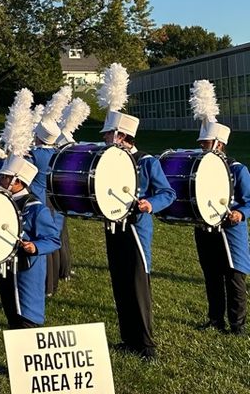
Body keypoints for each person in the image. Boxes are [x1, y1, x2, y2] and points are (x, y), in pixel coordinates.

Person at [101, 109, 175, 360]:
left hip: (137, 228)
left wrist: (150, 204)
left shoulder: (146, 161)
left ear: (122, 136)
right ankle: (128, 339)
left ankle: (147, 344)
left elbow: (167, 193)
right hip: (113, 226)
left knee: (137, 285)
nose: (105, 139)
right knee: (120, 282)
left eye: (109, 135)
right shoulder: (107, 159)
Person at [193, 120, 250, 335]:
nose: (202, 147)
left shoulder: (238, 169)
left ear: (218, 144)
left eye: (205, 143)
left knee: (235, 278)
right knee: (212, 276)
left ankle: (238, 325)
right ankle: (215, 319)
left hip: (231, 232)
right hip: (205, 230)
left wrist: (240, 213)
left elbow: (249, 200)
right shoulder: (198, 168)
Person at [0, 155, 61, 329]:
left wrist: (35, 246)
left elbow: (53, 239)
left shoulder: (36, 209)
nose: (0, 180)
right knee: (11, 311)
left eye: (5, 177)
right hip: (7, 267)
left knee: (27, 316)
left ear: (17, 181)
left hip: (27, 270)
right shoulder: (3, 201)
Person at [28, 117, 63, 297]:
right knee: (54, 239)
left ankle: (46, 286)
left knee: (42, 241)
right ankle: (54, 283)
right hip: (55, 199)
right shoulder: (58, 153)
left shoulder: (35, 155)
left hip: (40, 198)